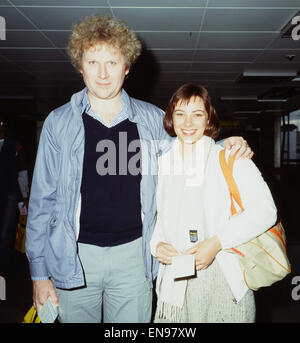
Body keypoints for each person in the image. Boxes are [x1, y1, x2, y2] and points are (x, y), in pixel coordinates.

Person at [25, 15, 253, 323]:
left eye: (112, 62)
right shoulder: (59, 123)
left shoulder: (152, 120)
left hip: (135, 257)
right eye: (93, 62)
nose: (103, 74)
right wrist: (39, 275)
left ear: (127, 67)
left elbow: (191, 152)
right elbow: (41, 204)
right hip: (73, 256)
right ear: (80, 67)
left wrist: (226, 145)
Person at [150, 83, 277, 323]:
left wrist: (217, 243)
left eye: (197, 115)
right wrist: (157, 245)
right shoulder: (163, 165)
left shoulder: (231, 158)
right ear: (171, 119)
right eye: (180, 114)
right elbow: (160, 218)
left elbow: (265, 212)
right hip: (176, 282)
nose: (188, 123)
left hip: (223, 277)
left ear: (209, 120)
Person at [0, 115, 29, 280]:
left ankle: (3, 269)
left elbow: (22, 170)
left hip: (11, 192)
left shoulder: (15, 145)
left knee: (6, 233)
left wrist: (24, 195)